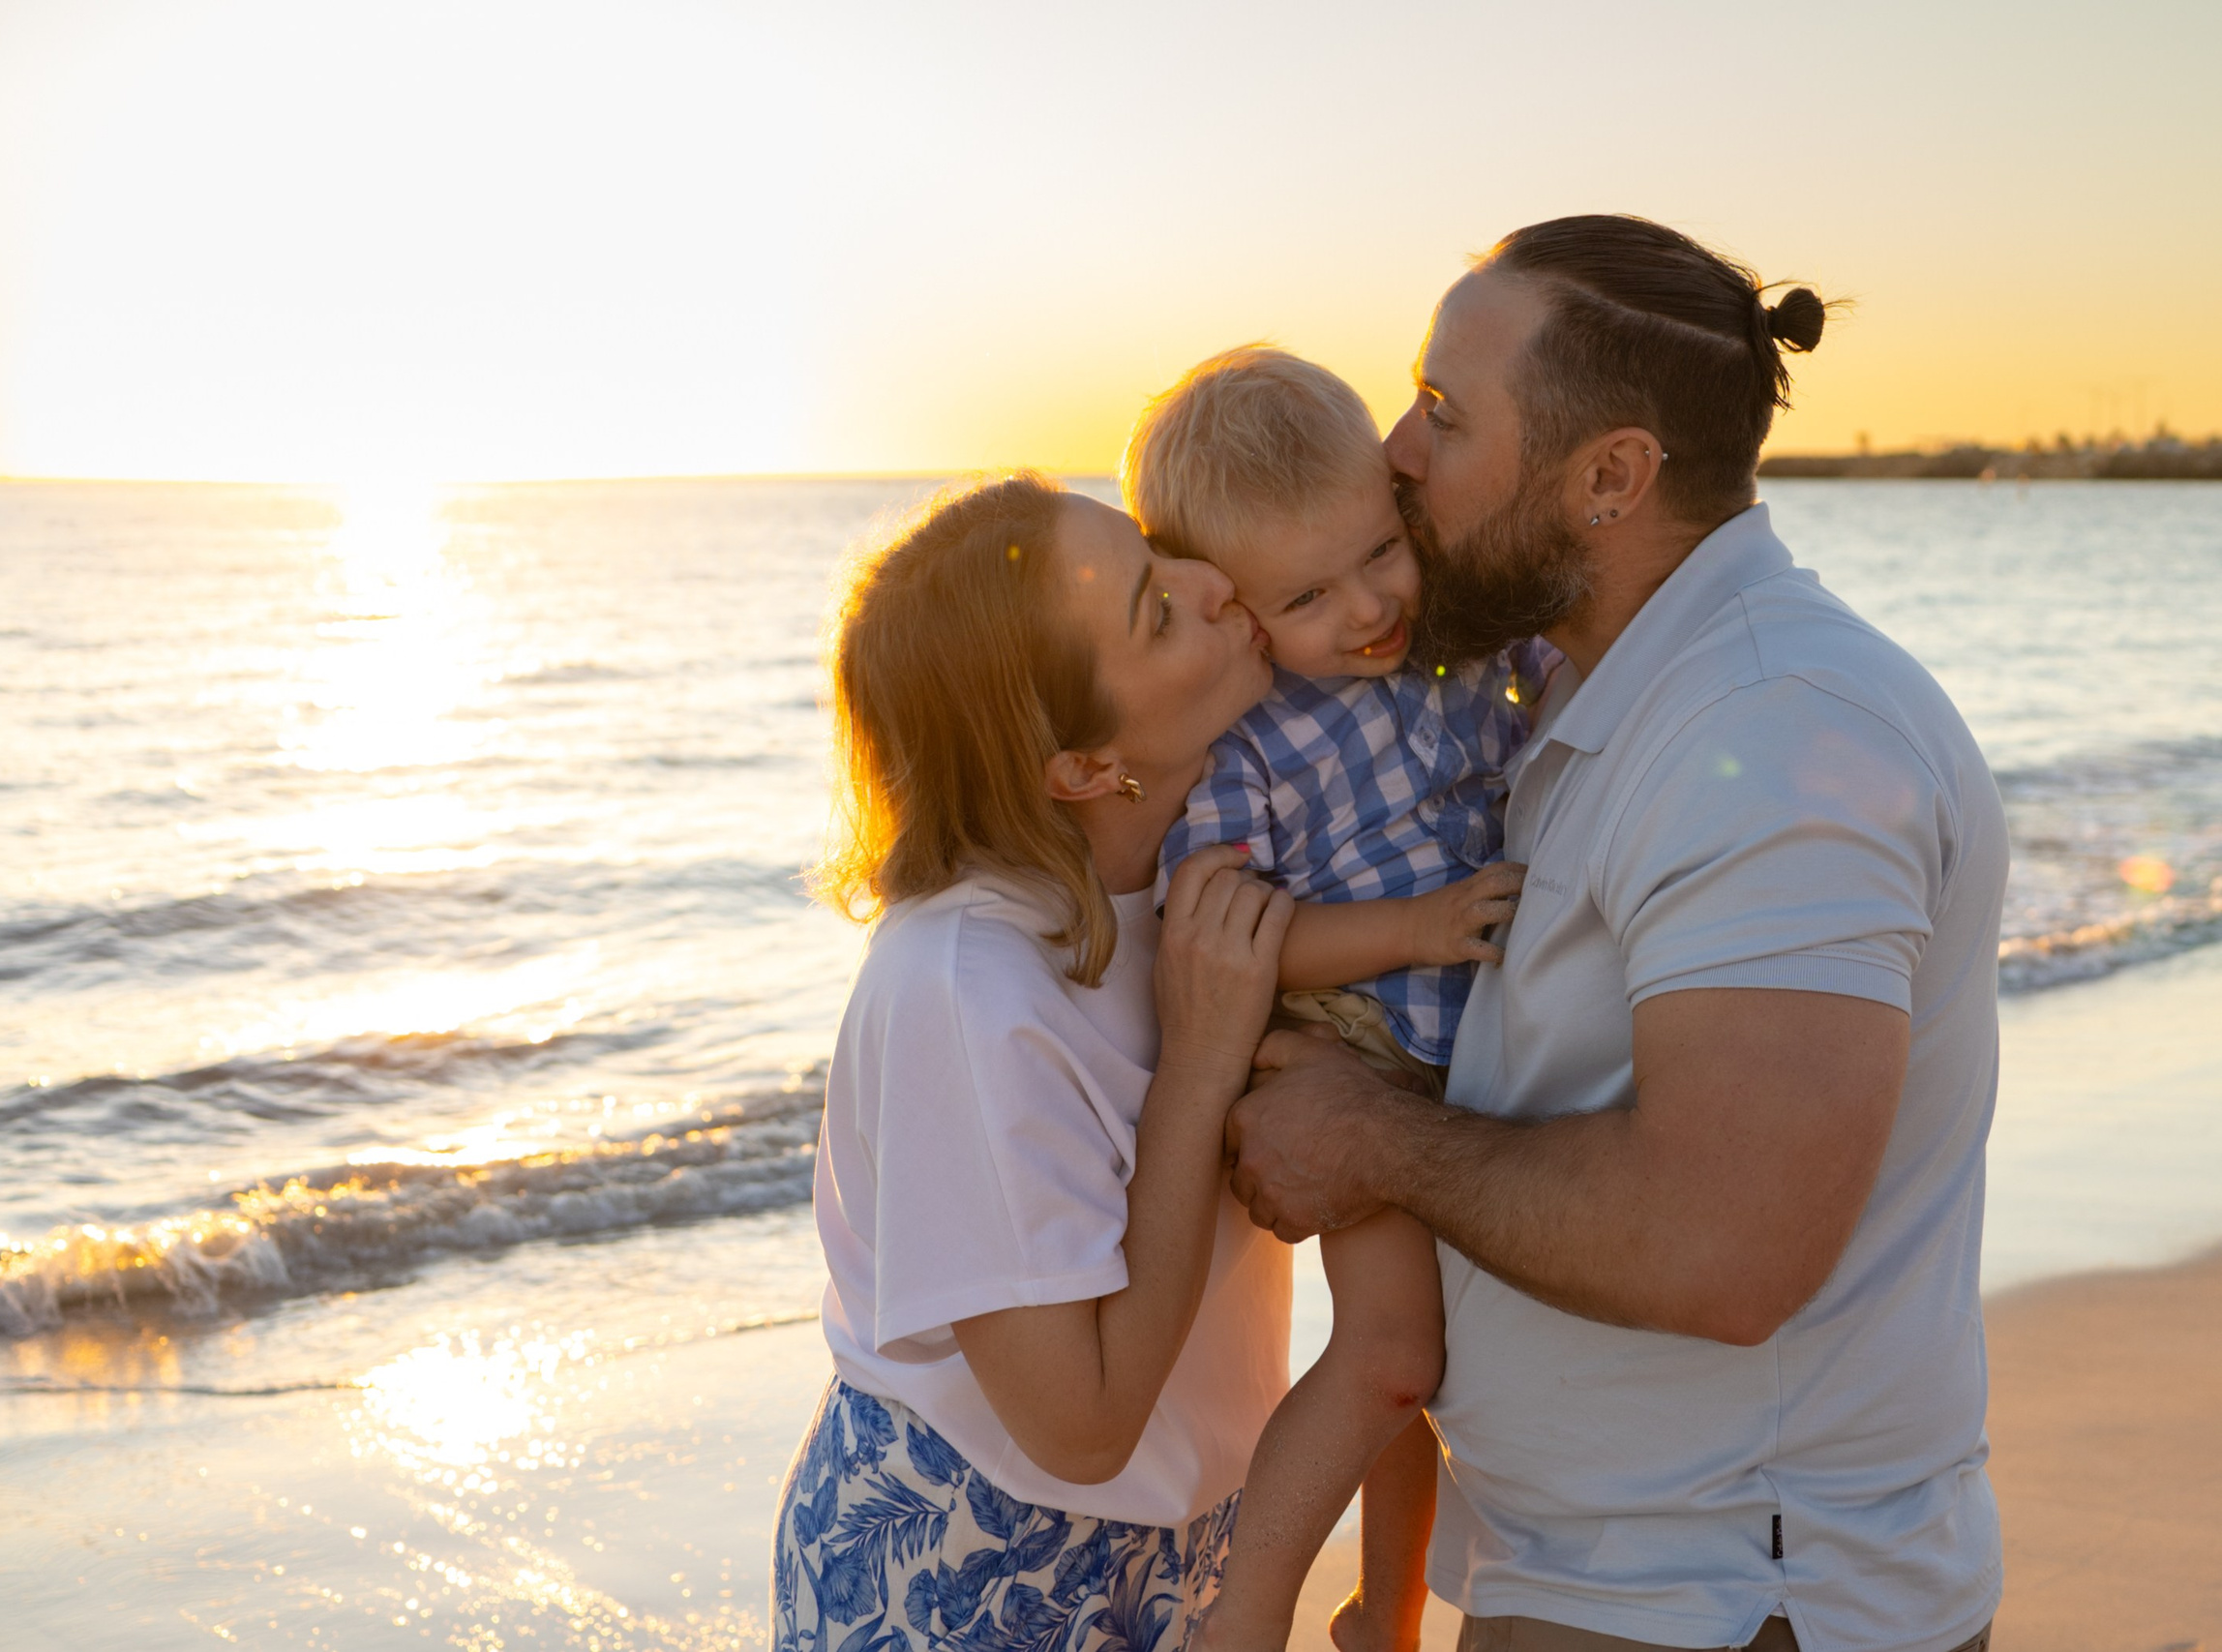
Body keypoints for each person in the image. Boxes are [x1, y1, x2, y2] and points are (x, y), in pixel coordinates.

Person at [1224, 215, 2008, 1652]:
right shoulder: (1610, 698)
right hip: (1621, 1578)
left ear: (1608, 478)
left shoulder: (1779, 731)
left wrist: (1373, 1137)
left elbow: (1726, 1241)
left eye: (1446, 415)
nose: (1393, 450)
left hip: (1728, 1599)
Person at [775, 472, 1299, 1652]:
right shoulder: (961, 993)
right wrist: (1201, 1069)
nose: (1217, 585)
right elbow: (1082, 1427)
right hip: (972, 1563)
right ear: (1076, 766)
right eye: (1157, 611)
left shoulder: (1182, 886)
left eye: (1162, 561)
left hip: (1177, 1538)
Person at [1122, 346, 1549, 1652]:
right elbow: (1242, 940)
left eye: (1380, 550)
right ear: (1240, 612)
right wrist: (1415, 926)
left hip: (1466, 1045)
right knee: (1387, 1355)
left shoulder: (1456, 647)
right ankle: (1240, 1622)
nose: (1369, 605)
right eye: (1309, 595)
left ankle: (1390, 1613)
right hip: (1353, 1042)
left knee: (1430, 1375)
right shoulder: (1247, 737)